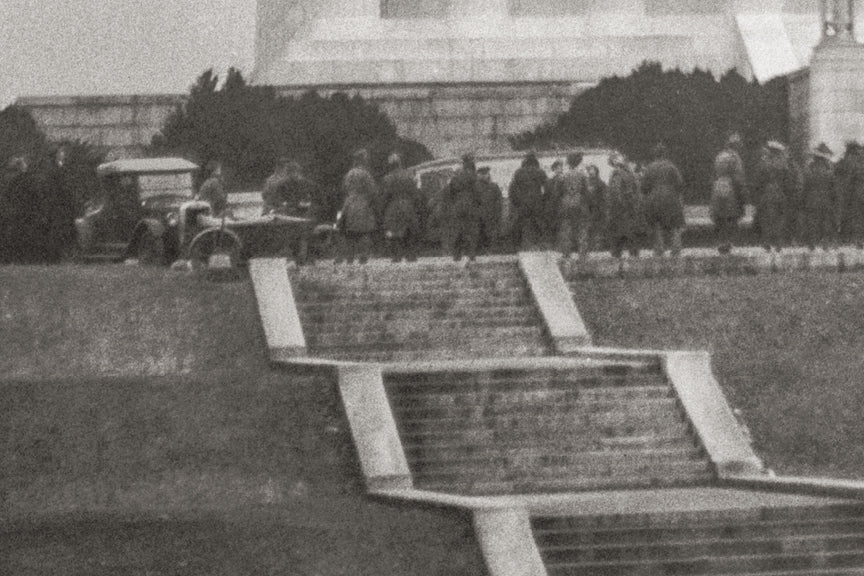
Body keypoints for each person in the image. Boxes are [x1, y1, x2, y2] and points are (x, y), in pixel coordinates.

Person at [751, 140, 797, 252]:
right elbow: (788, 182)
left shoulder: (763, 164)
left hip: (766, 195)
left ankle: (766, 242)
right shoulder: (783, 164)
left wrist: (757, 195)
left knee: (766, 219)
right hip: (780, 195)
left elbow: (757, 182)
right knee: (779, 219)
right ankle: (778, 243)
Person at [642, 143, 685, 257]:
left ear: (655, 155)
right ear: (665, 154)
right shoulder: (671, 167)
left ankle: (659, 249)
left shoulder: (649, 168)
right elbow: (680, 184)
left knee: (656, 224)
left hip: (654, 199)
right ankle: (675, 250)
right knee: (674, 225)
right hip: (670, 198)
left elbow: (644, 187)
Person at [336, 148, 378, 264]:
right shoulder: (365, 174)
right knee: (364, 232)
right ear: (363, 160)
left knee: (349, 232)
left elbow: (343, 189)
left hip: (348, 203)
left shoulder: (349, 174)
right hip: (362, 203)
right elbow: (373, 190)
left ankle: (350, 257)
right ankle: (363, 256)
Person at [380, 153, 421, 262]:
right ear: (400, 163)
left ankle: (396, 256)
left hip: (393, 207)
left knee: (393, 232)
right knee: (409, 231)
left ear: (390, 165)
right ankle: (411, 255)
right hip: (408, 206)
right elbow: (416, 194)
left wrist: (382, 209)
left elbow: (385, 197)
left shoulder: (387, 178)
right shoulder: (409, 176)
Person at [711, 133, 748, 254]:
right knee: (731, 217)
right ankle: (727, 243)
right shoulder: (735, 158)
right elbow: (738, 178)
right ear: (736, 146)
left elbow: (715, 173)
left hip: (718, 187)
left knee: (720, 216)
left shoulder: (720, 156)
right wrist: (742, 193)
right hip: (730, 188)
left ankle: (720, 242)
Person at [441, 153, 482, 262]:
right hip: (471, 207)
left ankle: (457, 256)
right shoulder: (474, 176)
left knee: (458, 232)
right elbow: (478, 194)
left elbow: (450, 193)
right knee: (471, 232)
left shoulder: (456, 177)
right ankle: (471, 256)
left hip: (458, 207)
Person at [605, 152, 644, 258]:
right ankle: (634, 257)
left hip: (620, 210)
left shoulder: (617, 174)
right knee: (631, 235)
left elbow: (615, 192)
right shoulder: (631, 174)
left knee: (618, 236)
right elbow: (637, 192)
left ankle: (617, 259)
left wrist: (615, 207)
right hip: (631, 208)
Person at [801, 143, 837, 250]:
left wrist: (803, 200)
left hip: (811, 200)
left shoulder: (809, 169)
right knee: (825, 222)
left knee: (812, 222)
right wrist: (834, 200)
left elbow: (805, 187)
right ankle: (825, 244)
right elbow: (833, 188)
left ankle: (812, 244)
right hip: (826, 200)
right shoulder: (829, 171)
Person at [509, 151, 547, 250]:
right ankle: (539, 246)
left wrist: (517, 202)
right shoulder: (540, 172)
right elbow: (547, 189)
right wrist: (543, 201)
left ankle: (520, 247)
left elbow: (512, 190)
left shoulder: (518, 172)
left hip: (523, 204)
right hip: (537, 204)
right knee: (538, 225)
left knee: (521, 225)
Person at [556, 152, 590, 259]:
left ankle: (566, 253)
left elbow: (558, 192)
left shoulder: (563, 176)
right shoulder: (583, 175)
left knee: (566, 228)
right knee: (582, 229)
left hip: (566, 204)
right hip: (579, 204)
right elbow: (586, 192)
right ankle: (582, 253)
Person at [476, 166, 503, 254]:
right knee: (481, 239)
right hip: (479, 218)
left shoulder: (494, 187)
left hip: (491, 217)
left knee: (492, 239)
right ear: (479, 175)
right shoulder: (475, 187)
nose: (485, 176)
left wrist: (497, 215)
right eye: (482, 174)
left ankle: (491, 253)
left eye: (486, 174)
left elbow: (499, 202)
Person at [584, 164, 607, 253]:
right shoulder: (585, 182)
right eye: (589, 170)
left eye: (592, 170)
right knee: (588, 227)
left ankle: (597, 246)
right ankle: (589, 246)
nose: (591, 172)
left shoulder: (600, 183)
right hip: (587, 208)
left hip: (597, 209)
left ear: (596, 172)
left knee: (597, 228)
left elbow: (604, 197)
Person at [543, 159, 565, 244]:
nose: (560, 169)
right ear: (554, 169)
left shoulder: (564, 179)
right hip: (553, 206)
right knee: (553, 224)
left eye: (561, 168)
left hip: (560, 205)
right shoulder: (550, 181)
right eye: (558, 168)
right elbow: (547, 193)